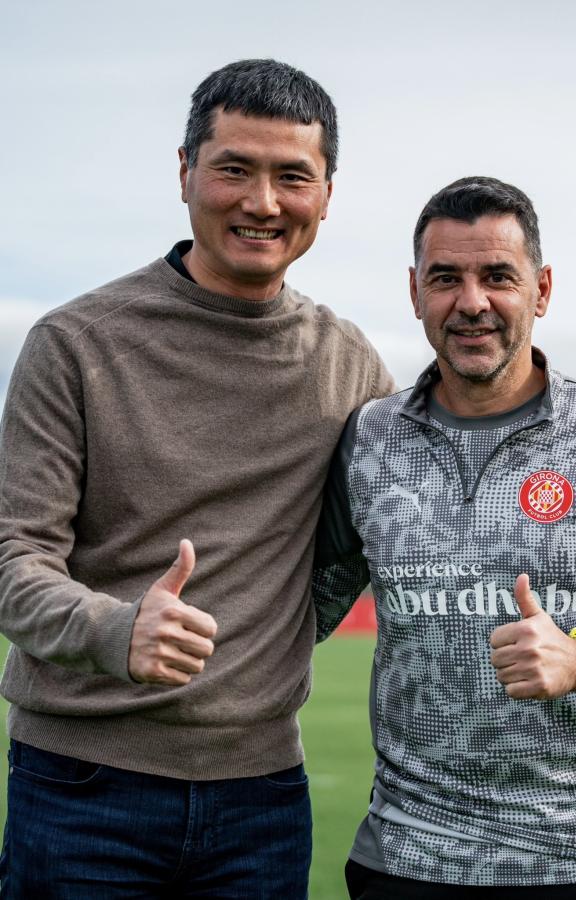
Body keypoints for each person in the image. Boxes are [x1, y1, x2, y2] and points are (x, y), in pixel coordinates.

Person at [0, 59, 395, 898]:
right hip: (79, 791)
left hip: (262, 800)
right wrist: (116, 631)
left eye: (293, 177)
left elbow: (438, 490)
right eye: (234, 169)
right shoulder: (74, 344)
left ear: (327, 194)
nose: (263, 202)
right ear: (184, 173)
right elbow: (13, 560)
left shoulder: (350, 365)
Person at [313, 176, 576, 900]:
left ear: (542, 290)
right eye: (446, 278)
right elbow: (302, 610)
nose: (472, 301)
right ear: (415, 292)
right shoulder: (369, 438)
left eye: (498, 276)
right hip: (404, 859)